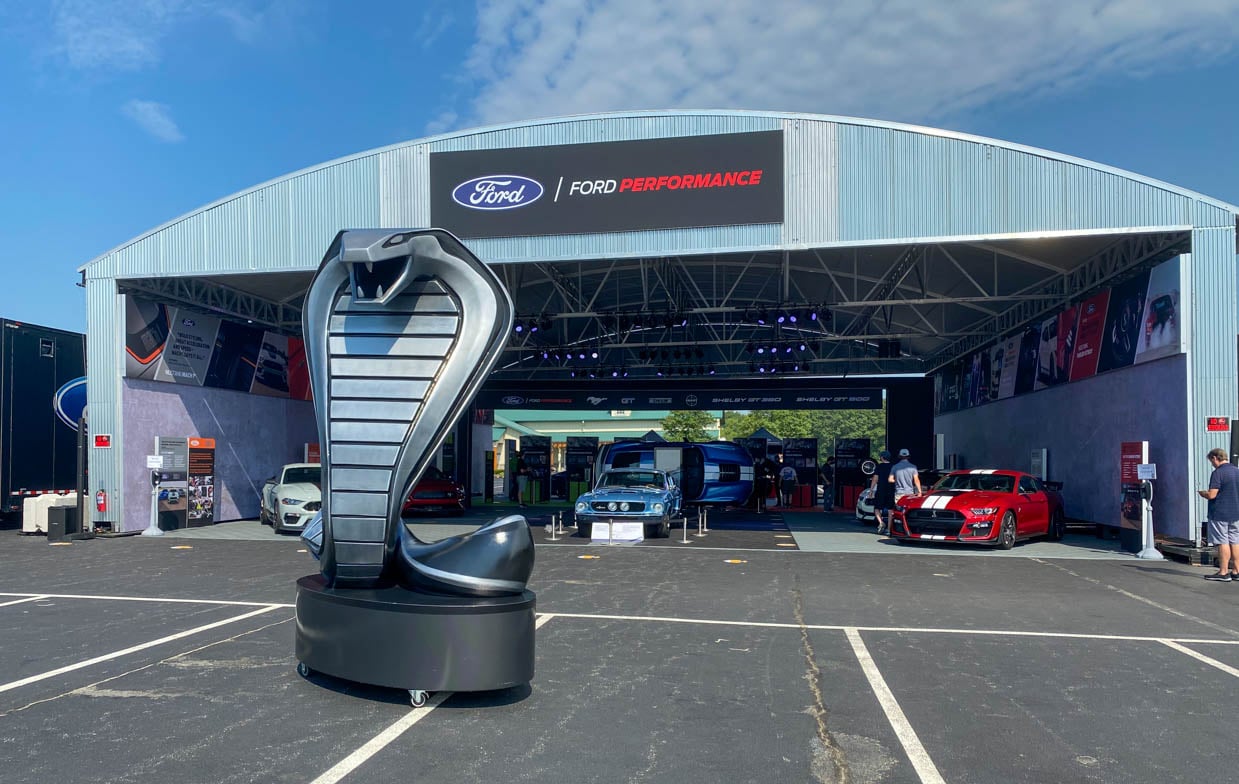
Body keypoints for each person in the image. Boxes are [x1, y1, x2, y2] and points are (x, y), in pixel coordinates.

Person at [1197, 447, 1239, 581]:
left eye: (1211, 461)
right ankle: (1237, 571)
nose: (1212, 464)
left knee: (1222, 541)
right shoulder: (1237, 471)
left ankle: (1223, 572)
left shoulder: (1218, 473)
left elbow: (1212, 495)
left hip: (1220, 513)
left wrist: (1203, 493)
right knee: (1235, 541)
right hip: (1236, 512)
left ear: (1215, 458)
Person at [870, 451, 895, 534]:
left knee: (877, 508)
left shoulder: (879, 467)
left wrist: (871, 490)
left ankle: (881, 522)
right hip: (891, 490)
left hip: (881, 490)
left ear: (882, 458)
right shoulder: (893, 467)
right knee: (890, 509)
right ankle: (888, 529)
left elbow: (875, 479)